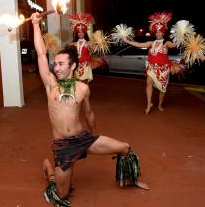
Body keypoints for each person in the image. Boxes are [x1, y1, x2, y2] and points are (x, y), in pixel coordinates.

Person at [31, 13, 149, 207]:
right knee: (62, 195)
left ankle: (133, 179)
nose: (56, 68)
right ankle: (49, 169)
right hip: (63, 146)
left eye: (61, 64)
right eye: (56, 64)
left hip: (83, 139)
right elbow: (42, 53)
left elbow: (89, 114)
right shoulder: (50, 84)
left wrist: (94, 137)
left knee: (125, 147)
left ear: (73, 66)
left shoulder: (83, 88)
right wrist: (36, 25)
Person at [123, 11, 178, 114]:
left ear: (163, 32)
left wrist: (181, 38)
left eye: (160, 31)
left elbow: (174, 45)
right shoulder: (151, 43)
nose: (158, 33)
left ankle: (160, 105)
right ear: (154, 32)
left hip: (163, 70)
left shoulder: (166, 43)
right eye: (156, 32)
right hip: (152, 68)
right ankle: (149, 104)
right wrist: (126, 41)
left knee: (162, 90)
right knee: (148, 82)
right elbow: (138, 44)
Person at [68, 12, 95, 83]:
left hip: (85, 66)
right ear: (77, 33)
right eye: (79, 32)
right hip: (77, 65)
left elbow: (94, 49)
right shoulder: (73, 44)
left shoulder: (89, 43)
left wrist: (98, 44)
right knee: (77, 83)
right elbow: (66, 50)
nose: (80, 33)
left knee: (85, 83)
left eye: (82, 32)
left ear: (85, 33)